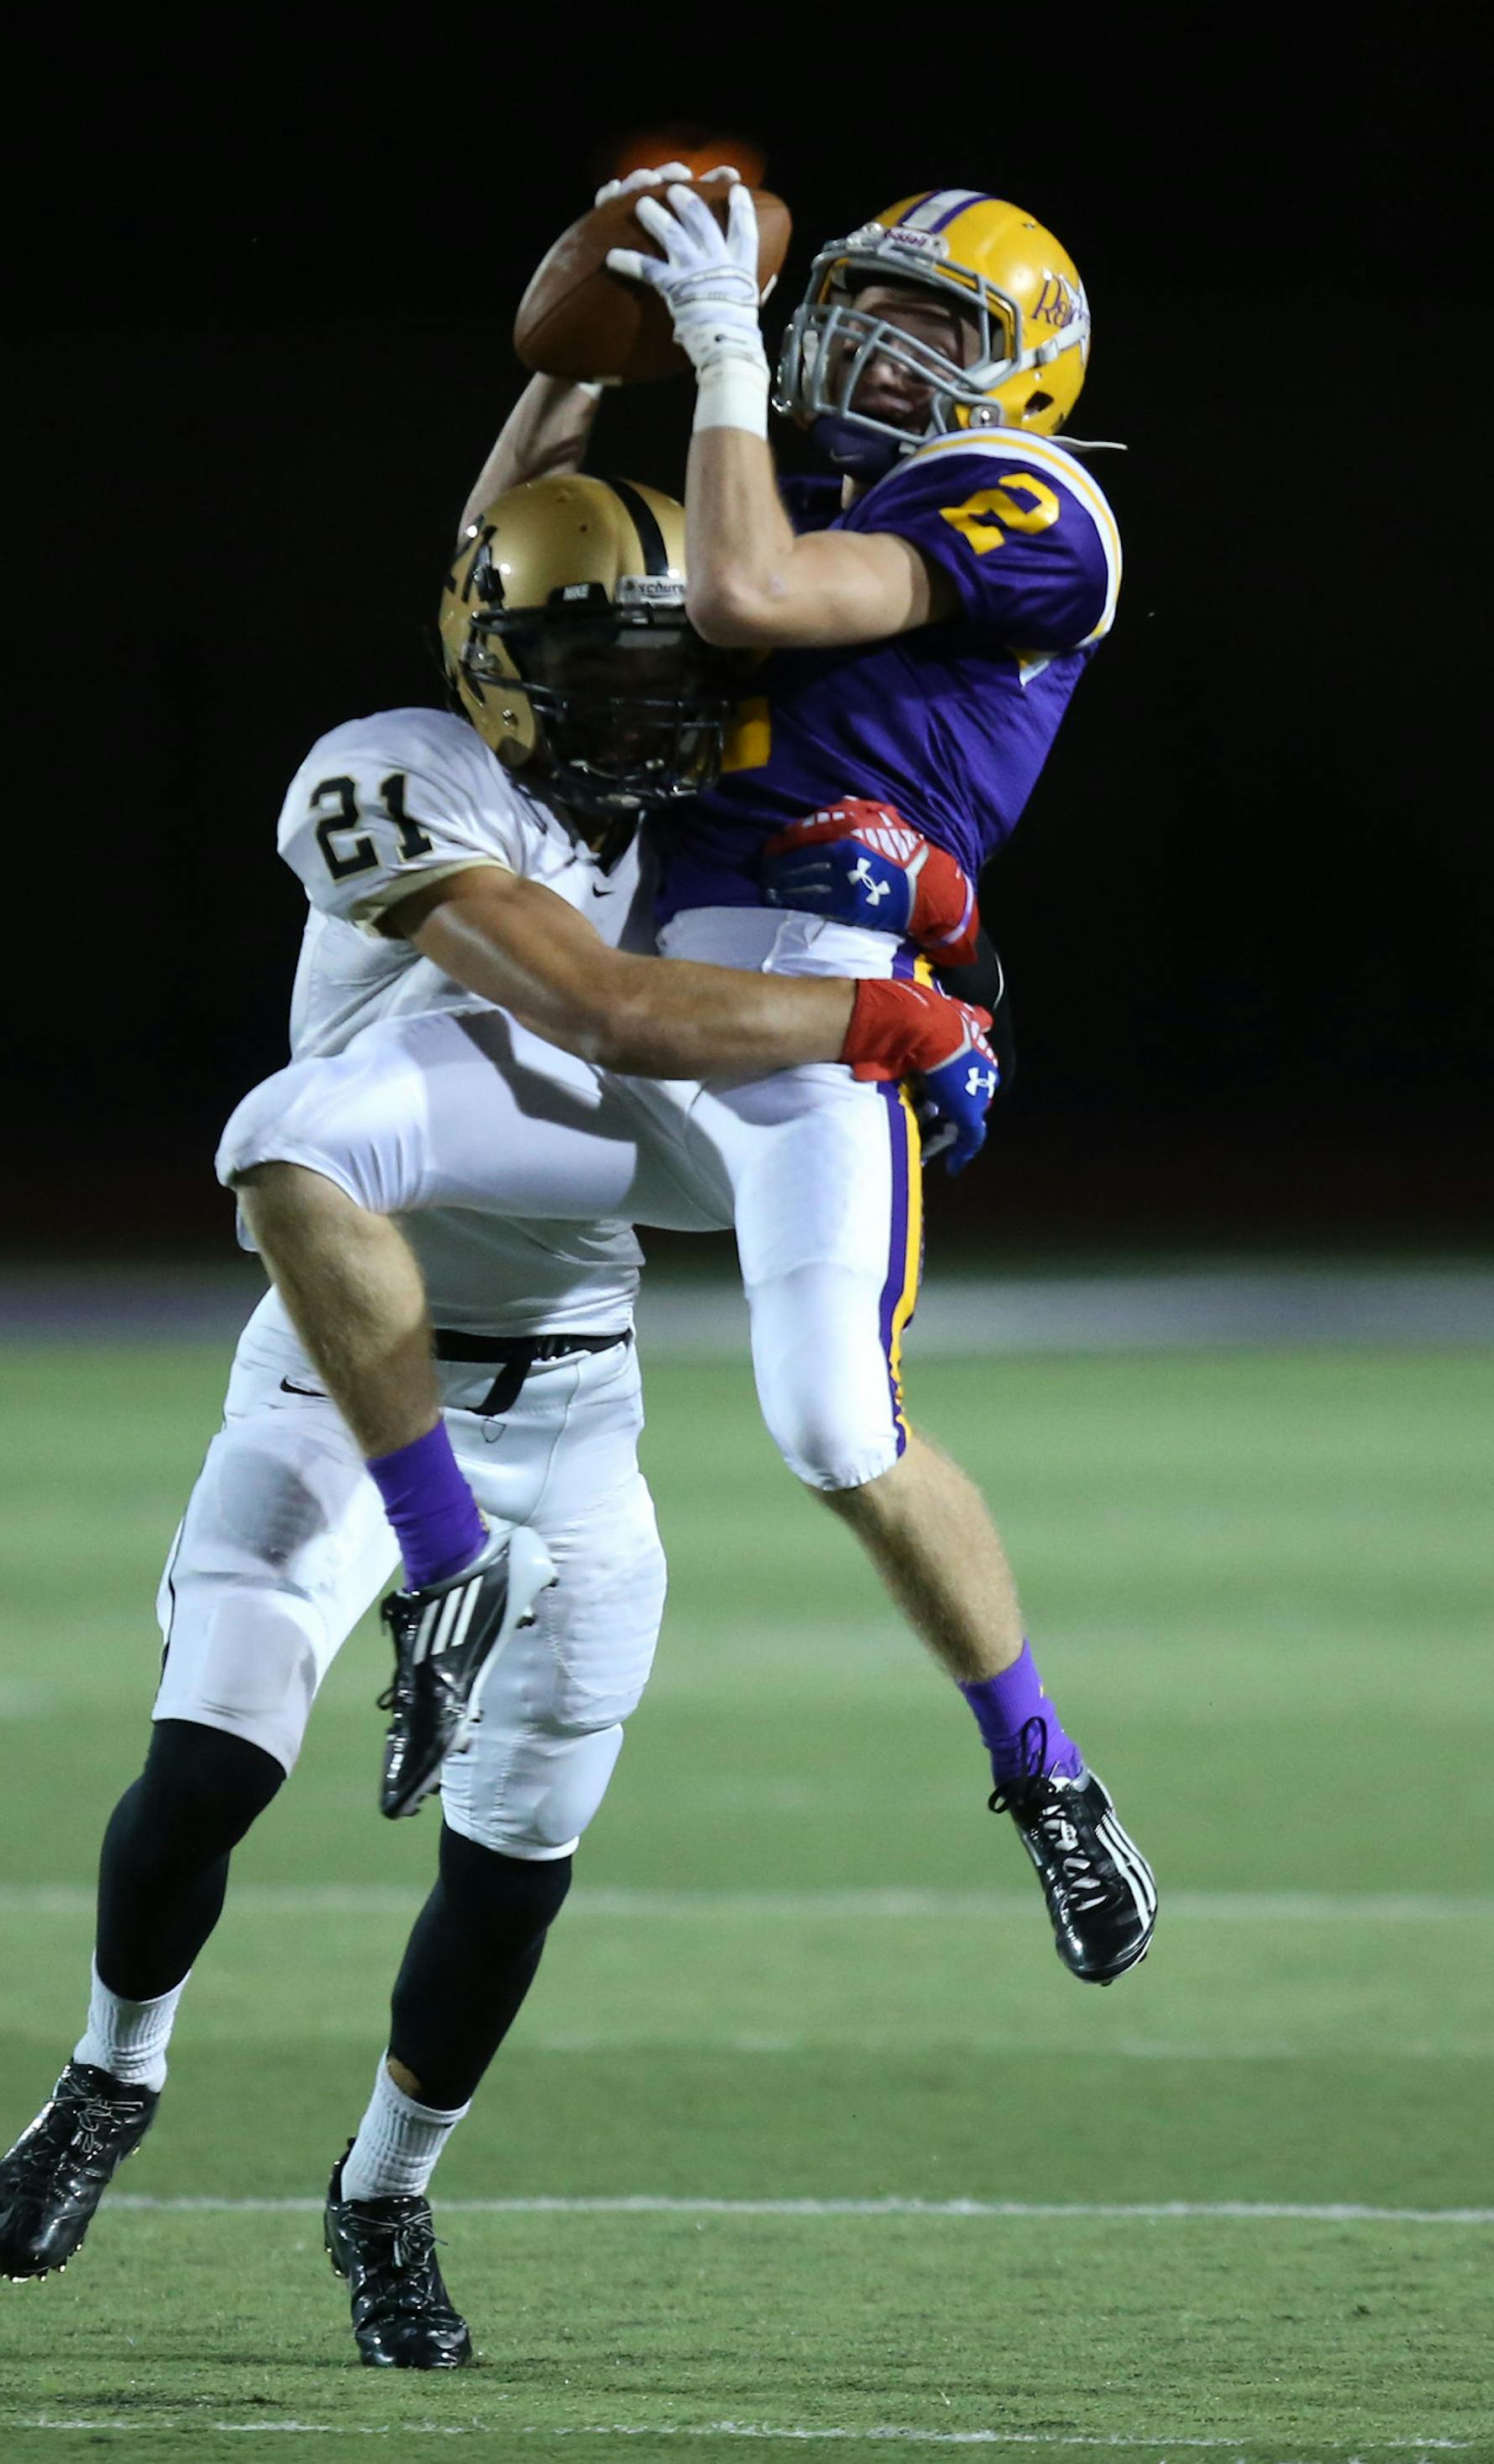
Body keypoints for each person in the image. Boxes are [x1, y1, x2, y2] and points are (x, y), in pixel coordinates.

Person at [0, 474, 996, 2368]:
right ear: (498, 663)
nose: (641, 710)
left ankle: (383, 2196)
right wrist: (904, 1031)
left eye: (665, 667)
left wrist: (937, 947)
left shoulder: (704, 825)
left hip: (584, 1415)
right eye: (594, 671)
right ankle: (115, 2069)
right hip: (345, 1396)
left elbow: (858, 904)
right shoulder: (399, 776)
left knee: (513, 1869)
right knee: (213, 1763)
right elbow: (612, 1008)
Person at [218, 176, 1156, 2002]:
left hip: (806, 1021)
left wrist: (721, 346)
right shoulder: (769, 466)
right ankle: (443, 1564)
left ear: (1029, 372)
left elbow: (745, 593)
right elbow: (499, 577)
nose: (875, 343)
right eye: (864, 304)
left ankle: (1045, 1778)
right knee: (301, 1136)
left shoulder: (1036, 506)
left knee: (828, 1427)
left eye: (939, 328)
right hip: (631, 994)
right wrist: (579, 371)